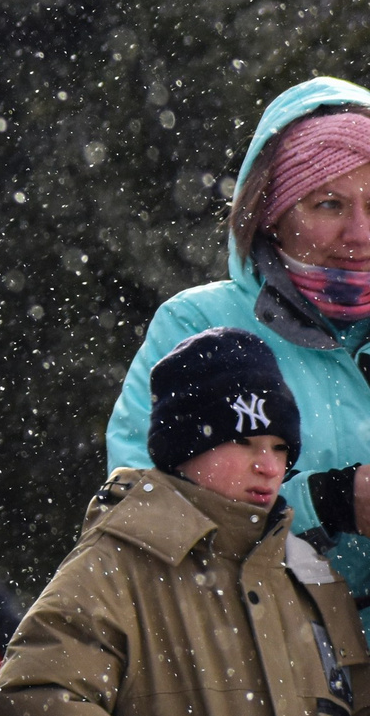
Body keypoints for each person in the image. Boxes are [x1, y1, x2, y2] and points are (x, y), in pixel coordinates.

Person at [0, 329, 370, 716]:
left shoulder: (308, 573)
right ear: (185, 446)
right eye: (247, 443)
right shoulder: (117, 562)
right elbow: (33, 703)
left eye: (279, 448)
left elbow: (361, 709)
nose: (268, 467)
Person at [108, 77, 370, 598]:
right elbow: (141, 516)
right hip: (260, 666)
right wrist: (326, 501)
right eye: (328, 204)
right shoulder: (199, 327)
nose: (360, 233)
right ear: (271, 214)